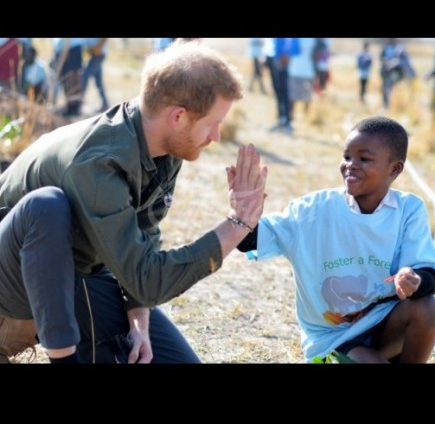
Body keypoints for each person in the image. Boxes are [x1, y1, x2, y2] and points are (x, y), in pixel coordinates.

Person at [0, 40, 268, 364]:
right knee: (48, 205)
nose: (216, 137)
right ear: (178, 117)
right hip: (17, 292)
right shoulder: (100, 162)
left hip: (81, 273)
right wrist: (237, 224)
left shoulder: (163, 147)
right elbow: (148, 280)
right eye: (212, 124)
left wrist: (138, 322)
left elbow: (144, 244)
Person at [236, 116, 435, 363]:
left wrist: (414, 280)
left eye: (364, 159)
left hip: (385, 324)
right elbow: (252, 240)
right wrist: (243, 216)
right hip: (333, 337)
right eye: (347, 156)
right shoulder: (312, 210)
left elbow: (427, 272)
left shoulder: (408, 209)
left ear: (394, 169)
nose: (350, 165)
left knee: (429, 307)